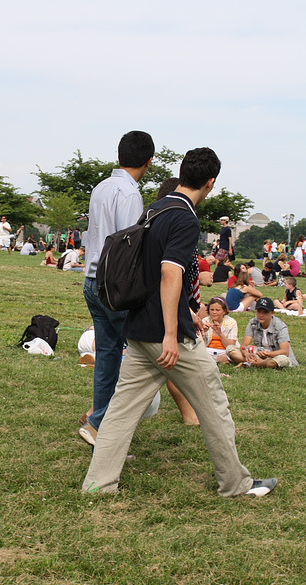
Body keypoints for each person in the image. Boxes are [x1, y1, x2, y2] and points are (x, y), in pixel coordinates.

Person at [82, 147, 277, 498]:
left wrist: (184, 314)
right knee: (214, 405)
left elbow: (148, 273)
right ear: (211, 182)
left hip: (139, 329)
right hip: (166, 337)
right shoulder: (185, 217)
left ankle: (97, 484)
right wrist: (173, 333)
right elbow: (170, 273)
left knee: (120, 413)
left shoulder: (154, 209)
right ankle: (235, 483)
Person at [79, 131, 155, 446]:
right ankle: (108, 426)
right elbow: (129, 246)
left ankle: (98, 421)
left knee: (108, 353)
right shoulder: (129, 193)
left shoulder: (101, 188)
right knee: (144, 354)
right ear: (149, 161)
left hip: (92, 282)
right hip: (116, 287)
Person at [226, 297, 298, 368]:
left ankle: (253, 363)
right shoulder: (253, 322)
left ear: (272, 313)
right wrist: (246, 354)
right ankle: (257, 363)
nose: (261, 315)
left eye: (265, 312)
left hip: (275, 356)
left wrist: (268, 354)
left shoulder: (280, 326)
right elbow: (244, 346)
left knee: (281, 360)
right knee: (230, 349)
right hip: (258, 355)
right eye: (259, 311)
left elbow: (285, 351)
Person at [202, 297, 239, 363]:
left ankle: (215, 360)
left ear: (224, 311)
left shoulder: (231, 322)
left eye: (217, 310)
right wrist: (203, 331)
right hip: (208, 350)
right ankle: (216, 360)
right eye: (212, 310)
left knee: (233, 354)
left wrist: (220, 333)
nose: (214, 312)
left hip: (225, 351)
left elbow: (230, 346)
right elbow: (197, 342)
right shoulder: (205, 321)